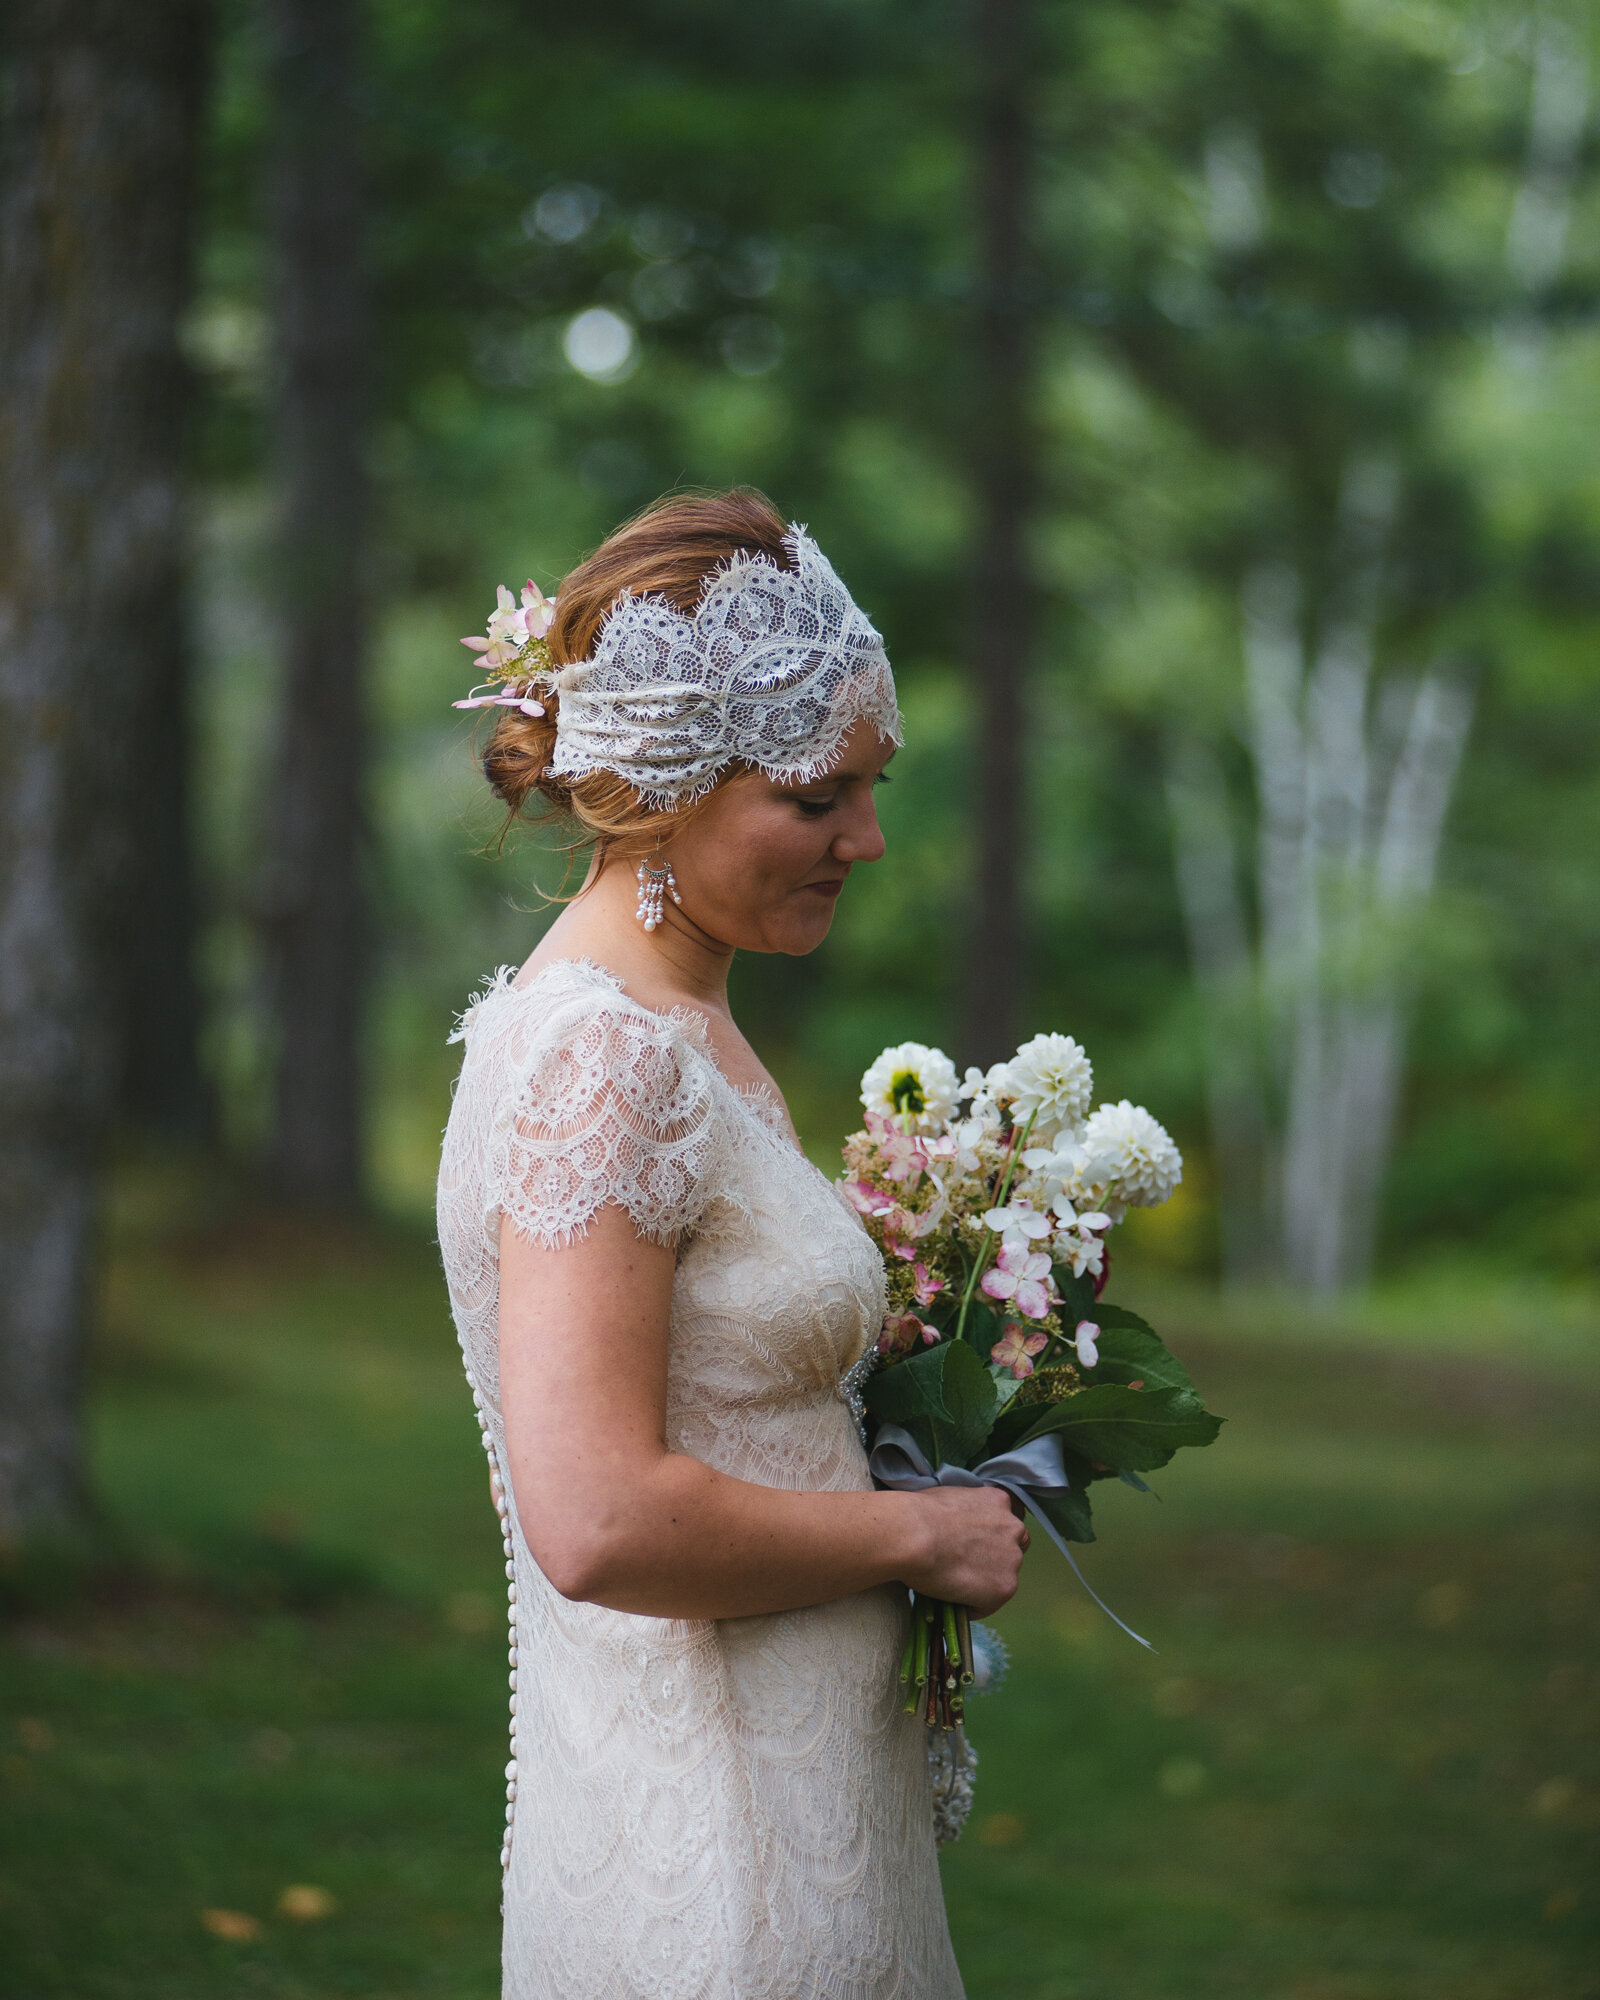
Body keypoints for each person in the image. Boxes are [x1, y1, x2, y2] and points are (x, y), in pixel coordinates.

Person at [436, 489, 1027, 2000]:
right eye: (819, 796)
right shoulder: (601, 1063)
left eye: (873, 788)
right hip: (721, 1858)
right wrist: (925, 1534)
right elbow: (601, 1521)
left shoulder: (689, 1025)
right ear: (662, 783)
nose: (870, 838)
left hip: (810, 1798)